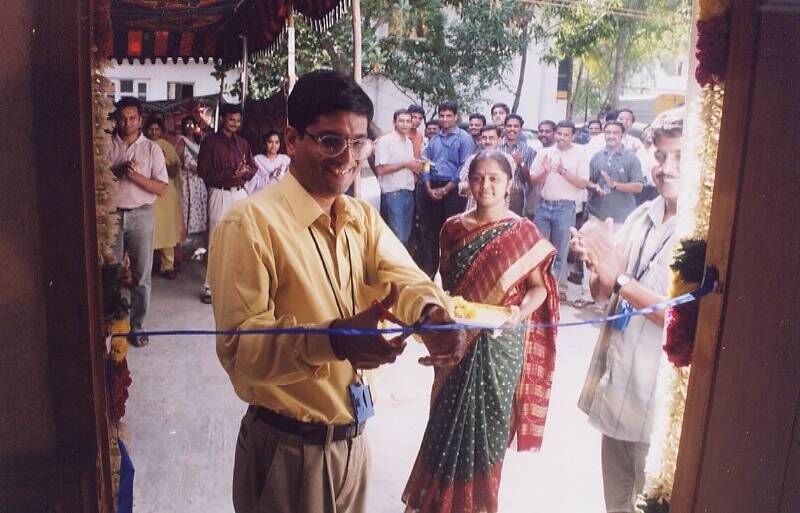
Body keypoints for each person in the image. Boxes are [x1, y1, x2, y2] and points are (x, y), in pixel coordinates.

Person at [207, 70, 468, 513]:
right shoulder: (249, 225)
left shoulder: (359, 218)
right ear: (291, 140)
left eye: (360, 142)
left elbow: (405, 277)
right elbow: (240, 356)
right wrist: (332, 340)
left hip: (352, 442)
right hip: (287, 451)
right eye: (331, 141)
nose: (348, 157)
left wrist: (431, 315)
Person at [403, 151, 559, 513]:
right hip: (457, 341)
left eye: (494, 179)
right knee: (443, 426)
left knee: (486, 436)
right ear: (468, 182)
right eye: (478, 178)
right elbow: (446, 283)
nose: (485, 185)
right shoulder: (452, 228)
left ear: (508, 185)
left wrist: (520, 312)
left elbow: (538, 288)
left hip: (499, 346)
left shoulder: (524, 232)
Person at [571, 108, 683, 513]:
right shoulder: (641, 216)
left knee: (647, 502)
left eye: (679, 157)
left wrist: (620, 280)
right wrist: (594, 261)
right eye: (660, 156)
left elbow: (682, 320)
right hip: (616, 388)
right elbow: (604, 295)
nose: (666, 168)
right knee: (615, 503)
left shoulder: (701, 231)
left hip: (654, 402)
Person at [109, 97, 168, 347]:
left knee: (141, 274)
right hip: (110, 216)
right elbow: (97, 178)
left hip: (142, 215)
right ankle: (111, 324)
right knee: (109, 274)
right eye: (123, 117)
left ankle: (138, 326)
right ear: (116, 118)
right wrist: (120, 170)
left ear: (140, 120)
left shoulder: (152, 149)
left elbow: (161, 187)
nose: (127, 122)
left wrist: (136, 177)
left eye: (132, 118)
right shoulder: (106, 145)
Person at [197, 103, 257, 304]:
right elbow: (203, 172)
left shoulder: (242, 143)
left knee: (241, 238)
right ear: (222, 119)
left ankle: (235, 286)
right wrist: (231, 174)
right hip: (219, 194)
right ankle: (209, 288)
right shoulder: (210, 142)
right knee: (216, 238)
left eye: (238, 120)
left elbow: (253, 168)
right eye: (231, 119)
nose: (235, 123)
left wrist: (243, 174)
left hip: (240, 193)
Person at [530, 120, 590, 298]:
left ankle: (552, 291)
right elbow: (533, 181)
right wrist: (545, 171)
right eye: (560, 134)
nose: (562, 138)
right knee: (538, 249)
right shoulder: (545, 152)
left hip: (565, 208)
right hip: (544, 206)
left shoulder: (580, 153)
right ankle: (536, 288)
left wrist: (563, 171)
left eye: (566, 135)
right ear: (555, 134)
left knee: (560, 251)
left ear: (573, 136)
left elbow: (583, 183)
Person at [417, 101, 475, 277]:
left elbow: (464, 168)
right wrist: (428, 187)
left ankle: (451, 274)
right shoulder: (434, 140)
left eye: (449, 115)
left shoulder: (464, 139)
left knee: (451, 231)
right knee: (431, 232)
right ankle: (430, 271)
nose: (444, 119)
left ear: (456, 116)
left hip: (453, 191)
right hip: (433, 187)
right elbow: (425, 164)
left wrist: (446, 189)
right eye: (441, 115)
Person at [374, 109, 423, 246]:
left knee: (405, 237)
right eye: (401, 121)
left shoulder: (408, 142)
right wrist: (406, 164)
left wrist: (415, 167)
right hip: (393, 195)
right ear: (394, 122)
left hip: (408, 193)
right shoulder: (385, 141)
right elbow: (380, 169)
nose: (405, 124)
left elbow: (407, 165)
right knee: (397, 238)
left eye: (408, 121)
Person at [144, 115, 184, 280]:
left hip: (166, 195)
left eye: (157, 129)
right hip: (148, 193)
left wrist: (161, 161)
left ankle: (167, 266)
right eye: (151, 129)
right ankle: (145, 267)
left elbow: (174, 171)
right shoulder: (142, 145)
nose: (154, 132)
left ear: (161, 131)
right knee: (148, 232)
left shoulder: (167, 146)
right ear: (146, 130)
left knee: (167, 230)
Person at [457, 124, 515, 211]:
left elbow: (505, 186)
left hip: (498, 212)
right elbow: (462, 186)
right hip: (474, 211)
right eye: (484, 138)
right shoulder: (472, 159)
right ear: (480, 140)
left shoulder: (507, 160)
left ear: (499, 140)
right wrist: (472, 185)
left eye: (491, 138)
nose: (487, 141)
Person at [175, 115, 208, 239]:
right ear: (183, 126)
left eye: (192, 124)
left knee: (198, 201)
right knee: (187, 201)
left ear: (195, 127)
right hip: (187, 178)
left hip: (199, 179)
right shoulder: (181, 140)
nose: (189, 127)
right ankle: (185, 231)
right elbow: (180, 159)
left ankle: (197, 230)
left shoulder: (199, 142)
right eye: (187, 124)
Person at [498, 114, 535, 217]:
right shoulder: (496, 147)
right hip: (497, 193)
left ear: (521, 129)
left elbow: (530, 180)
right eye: (509, 126)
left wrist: (521, 163)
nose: (512, 129)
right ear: (504, 128)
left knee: (514, 228)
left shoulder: (528, 151)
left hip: (517, 194)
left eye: (516, 126)